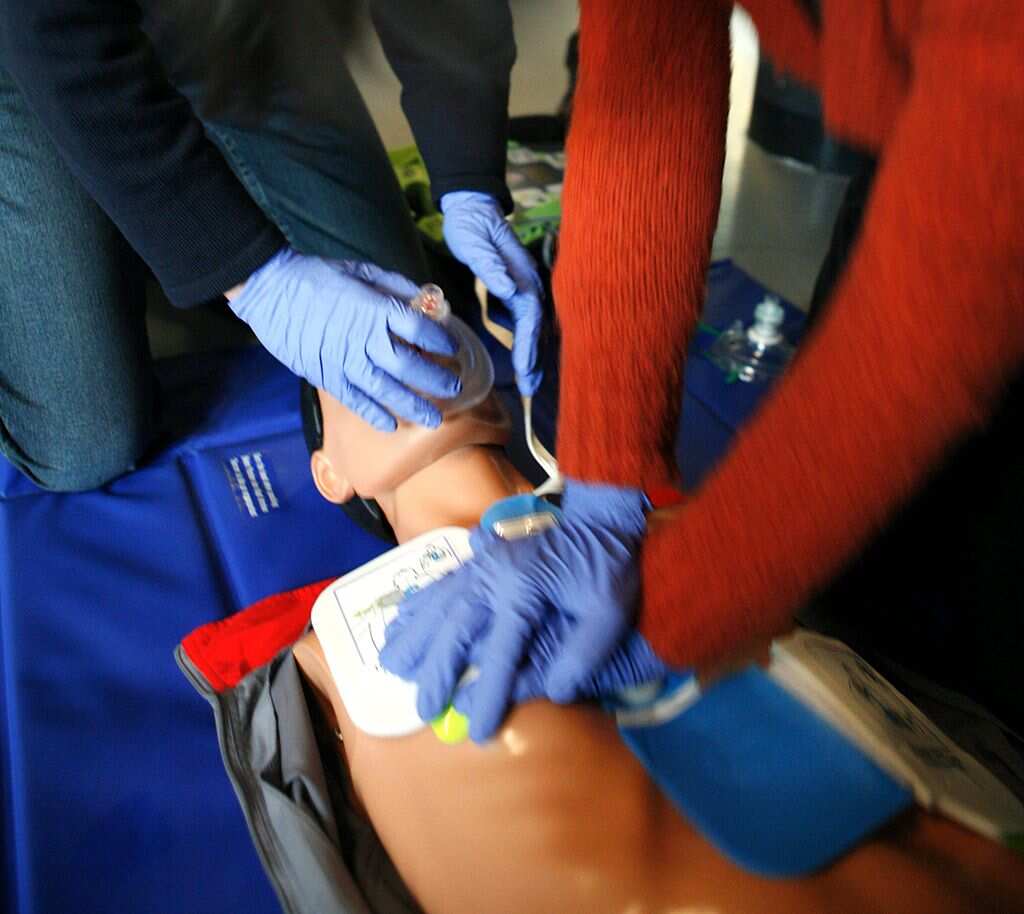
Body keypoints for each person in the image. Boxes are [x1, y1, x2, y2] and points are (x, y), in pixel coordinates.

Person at [384, 0, 1024, 741]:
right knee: (867, 608)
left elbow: (938, 314)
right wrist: (605, 470)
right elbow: (647, 78)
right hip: (941, 133)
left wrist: (687, 604)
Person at [290, 373, 1024, 914]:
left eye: (423, 300)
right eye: (344, 358)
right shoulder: (360, 653)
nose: (412, 322)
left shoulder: (695, 531)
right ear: (332, 475)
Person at [0, 0, 542, 492]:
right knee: (83, 441)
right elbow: (47, 29)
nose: (451, 394)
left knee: (386, 299)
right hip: (27, 32)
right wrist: (255, 278)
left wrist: (469, 182)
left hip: (228, 20)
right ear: (329, 474)